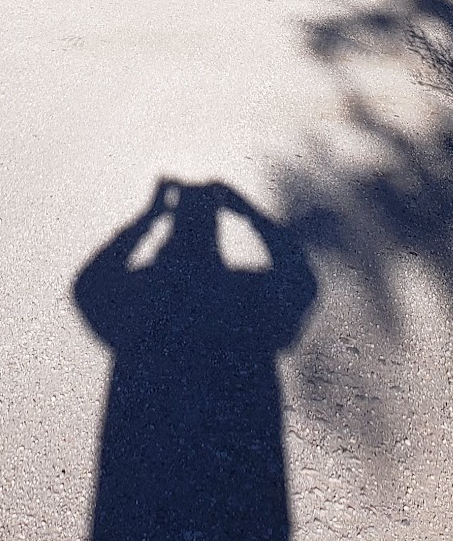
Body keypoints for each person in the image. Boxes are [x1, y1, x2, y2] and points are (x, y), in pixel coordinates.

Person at [73, 179, 317, 541]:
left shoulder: (143, 293)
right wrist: (249, 213)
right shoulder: (245, 295)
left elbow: (88, 288)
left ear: (169, 238)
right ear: (216, 236)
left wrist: (149, 216)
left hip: (141, 495)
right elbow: (301, 282)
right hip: (240, 493)